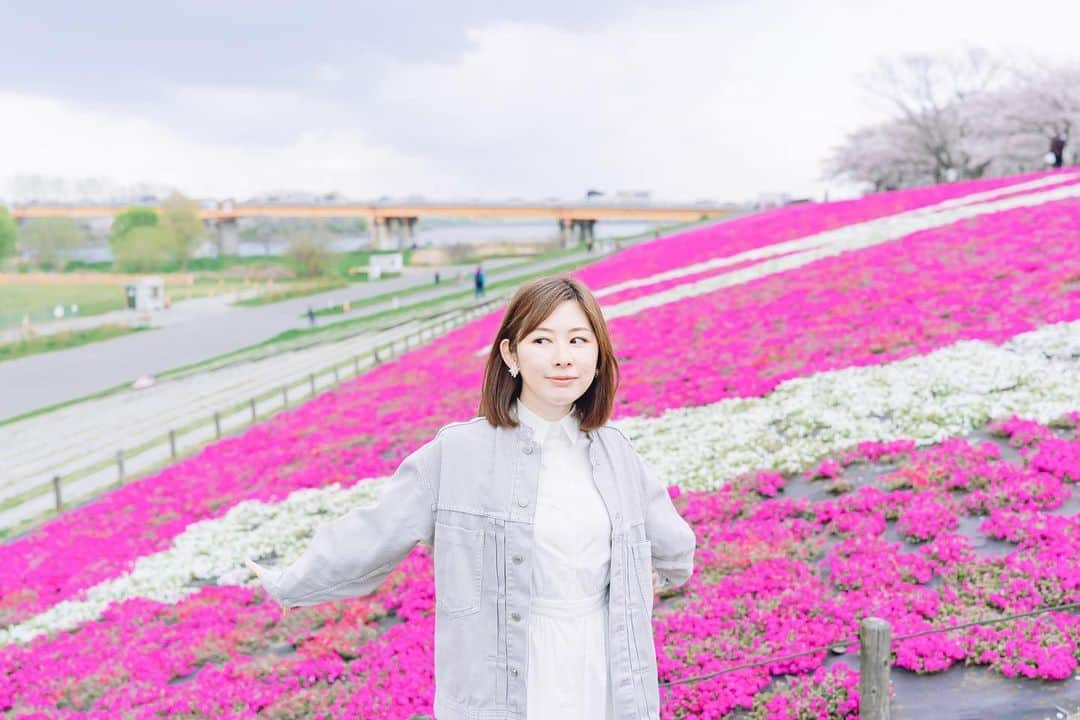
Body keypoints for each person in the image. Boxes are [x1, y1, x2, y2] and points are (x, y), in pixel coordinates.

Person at [246, 275, 696, 720]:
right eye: (542, 341)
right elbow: (376, 532)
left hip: (604, 664)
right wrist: (290, 583)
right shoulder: (458, 452)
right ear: (510, 353)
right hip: (506, 674)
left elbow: (674, 545)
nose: (563, 358)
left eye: (579, 340)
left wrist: (660, 574)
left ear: (598, 357)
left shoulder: (616, 451)